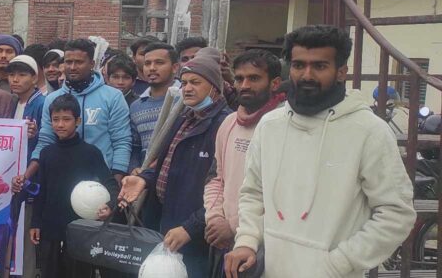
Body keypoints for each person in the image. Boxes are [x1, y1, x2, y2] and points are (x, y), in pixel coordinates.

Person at [224, 26, 416, 278]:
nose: (307, 75)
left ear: (341, 72)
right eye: (298, 65)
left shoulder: (369, 131)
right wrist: (247, 241)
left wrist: (338, 263)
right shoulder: (270, 125)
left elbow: (396, 214)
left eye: (320, 66)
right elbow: (253, 193)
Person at [119, 48, 231, 277]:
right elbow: (167, 164)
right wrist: (144, 179)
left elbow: (223, 189)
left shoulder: (224, 125)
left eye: (196, 83)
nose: (187, 88)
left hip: (196, 235)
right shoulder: (184, 118)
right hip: (168, 222)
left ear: (214, 87)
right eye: (185, 82)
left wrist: (191, 227)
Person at [204, 50, 284, 277]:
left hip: (265, 248)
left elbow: (282, 196)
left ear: (275, 83)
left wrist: (235, 227)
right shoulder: (229, 123)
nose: (245, 85)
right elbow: (216, 179)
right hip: (223, 242)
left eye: (254, 78)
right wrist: (215, 218)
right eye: (239, 79)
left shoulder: (284, 127)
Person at [19, 38, 132, 190]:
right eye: (68, 62)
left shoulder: (113, 97)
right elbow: (45, 141)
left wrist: (114, 184)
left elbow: (121, 141)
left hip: (99, 183)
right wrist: (25, 176)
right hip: (61, 181)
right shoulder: (52, 99)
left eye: (79, 62)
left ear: (92, 64)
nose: (72, 67)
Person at [30, 94, 117, 278]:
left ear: (78, 121)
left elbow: (110, 184)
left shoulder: (91, 152)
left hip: (81, 230)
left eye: (66, 119)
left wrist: (110, 205)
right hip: (50, 228)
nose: (60, 124)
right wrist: (35, 222)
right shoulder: (46, 153)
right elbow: (41, 191)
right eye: (55, 119)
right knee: (49, 272)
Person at [6, 54, 45, 278]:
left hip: (30, 181)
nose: (15, 79)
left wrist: (36, 133)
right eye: (12, 75)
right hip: (13, 180)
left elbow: (46, 140)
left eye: (22, 75)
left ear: (34, 78)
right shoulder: (14, 103)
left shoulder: (40, 103)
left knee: (25, 241)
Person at [128, 43, 180, 171]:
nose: (152, 68)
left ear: (175, 67)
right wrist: (134, 168)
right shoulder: (136, 106)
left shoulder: (185, 100)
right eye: (147, 63)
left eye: (159, 63)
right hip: (145, 176)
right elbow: (135, 146)